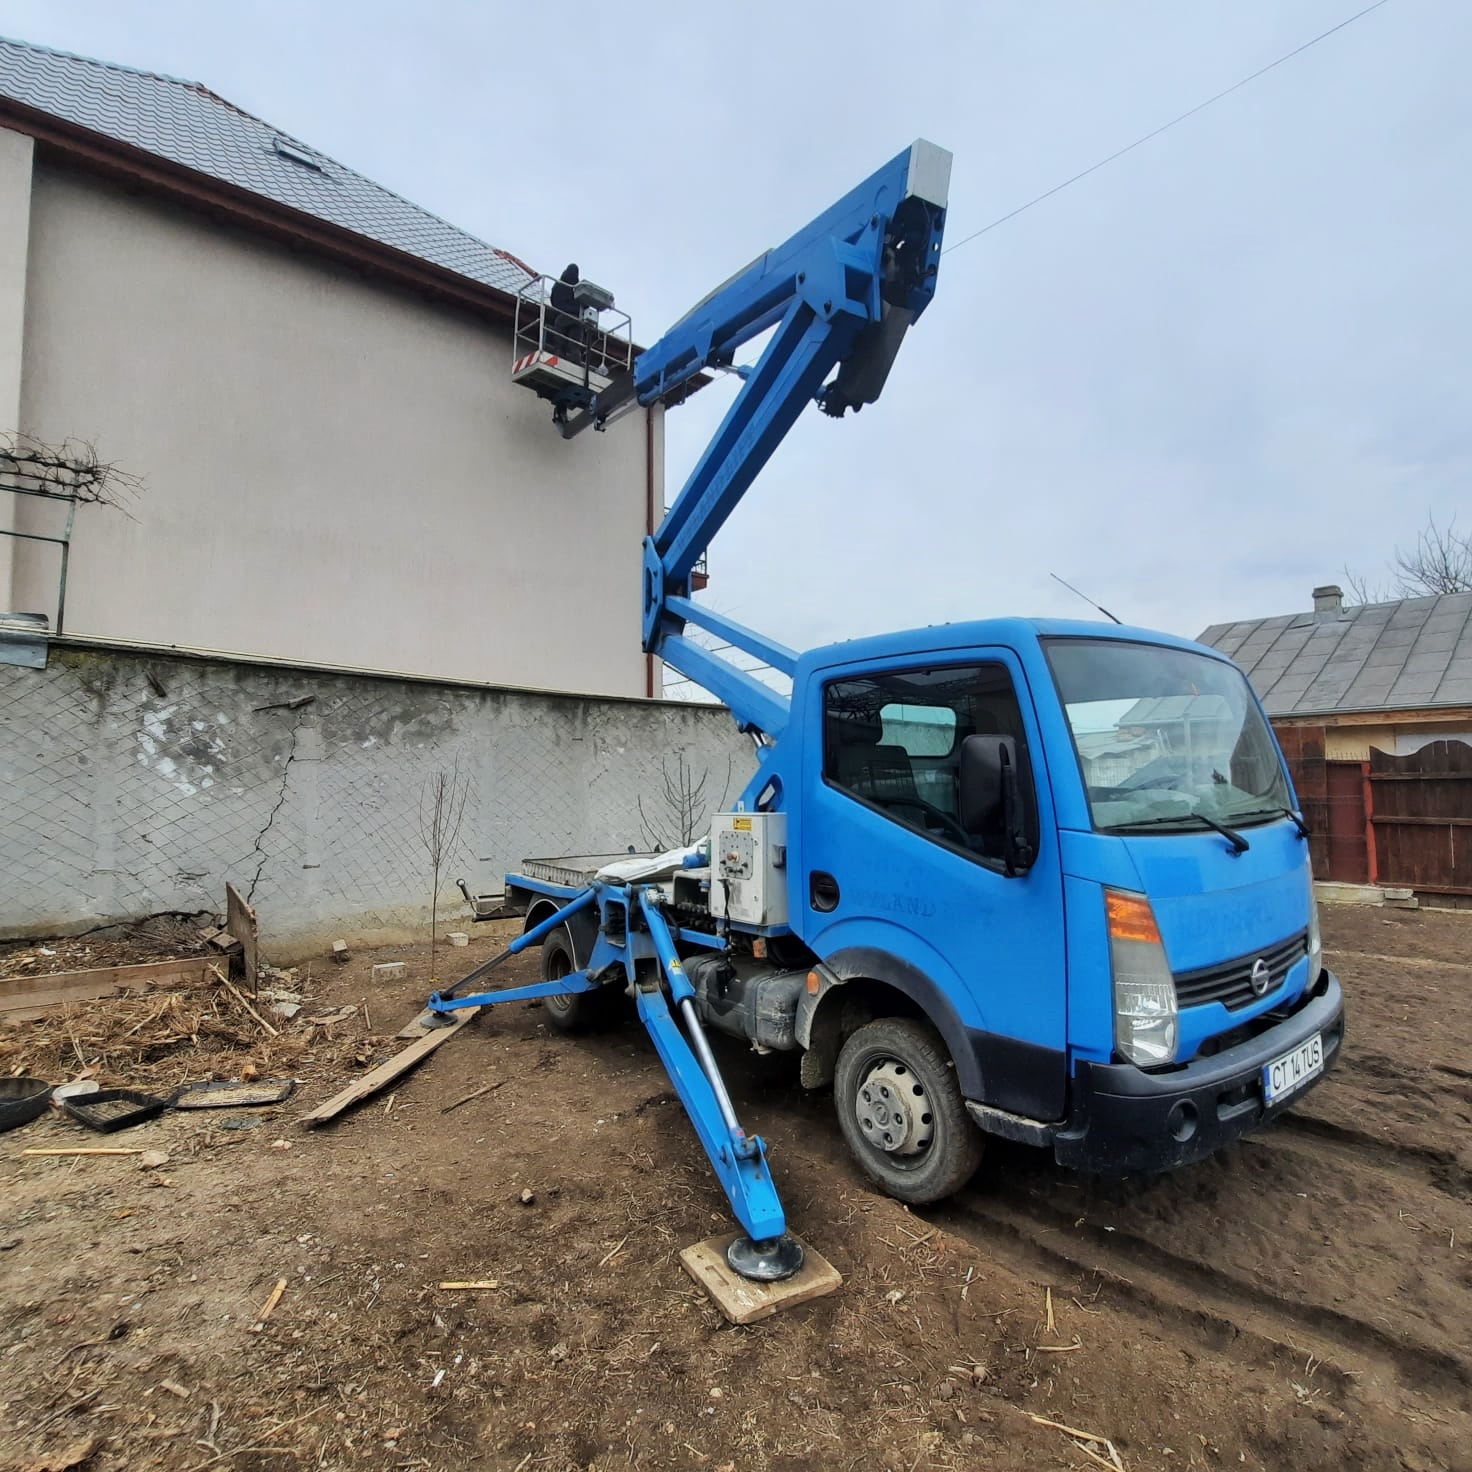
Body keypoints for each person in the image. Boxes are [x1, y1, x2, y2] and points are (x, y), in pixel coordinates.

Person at [548, 263, 583, 364]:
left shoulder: (558, 285)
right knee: (575, 339)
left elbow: (554, 300)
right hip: (577, 318)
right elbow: (586, 304)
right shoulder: (579, 287)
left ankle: (559, 351)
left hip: (562, 316)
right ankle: (575, 356)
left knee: (560, 332)